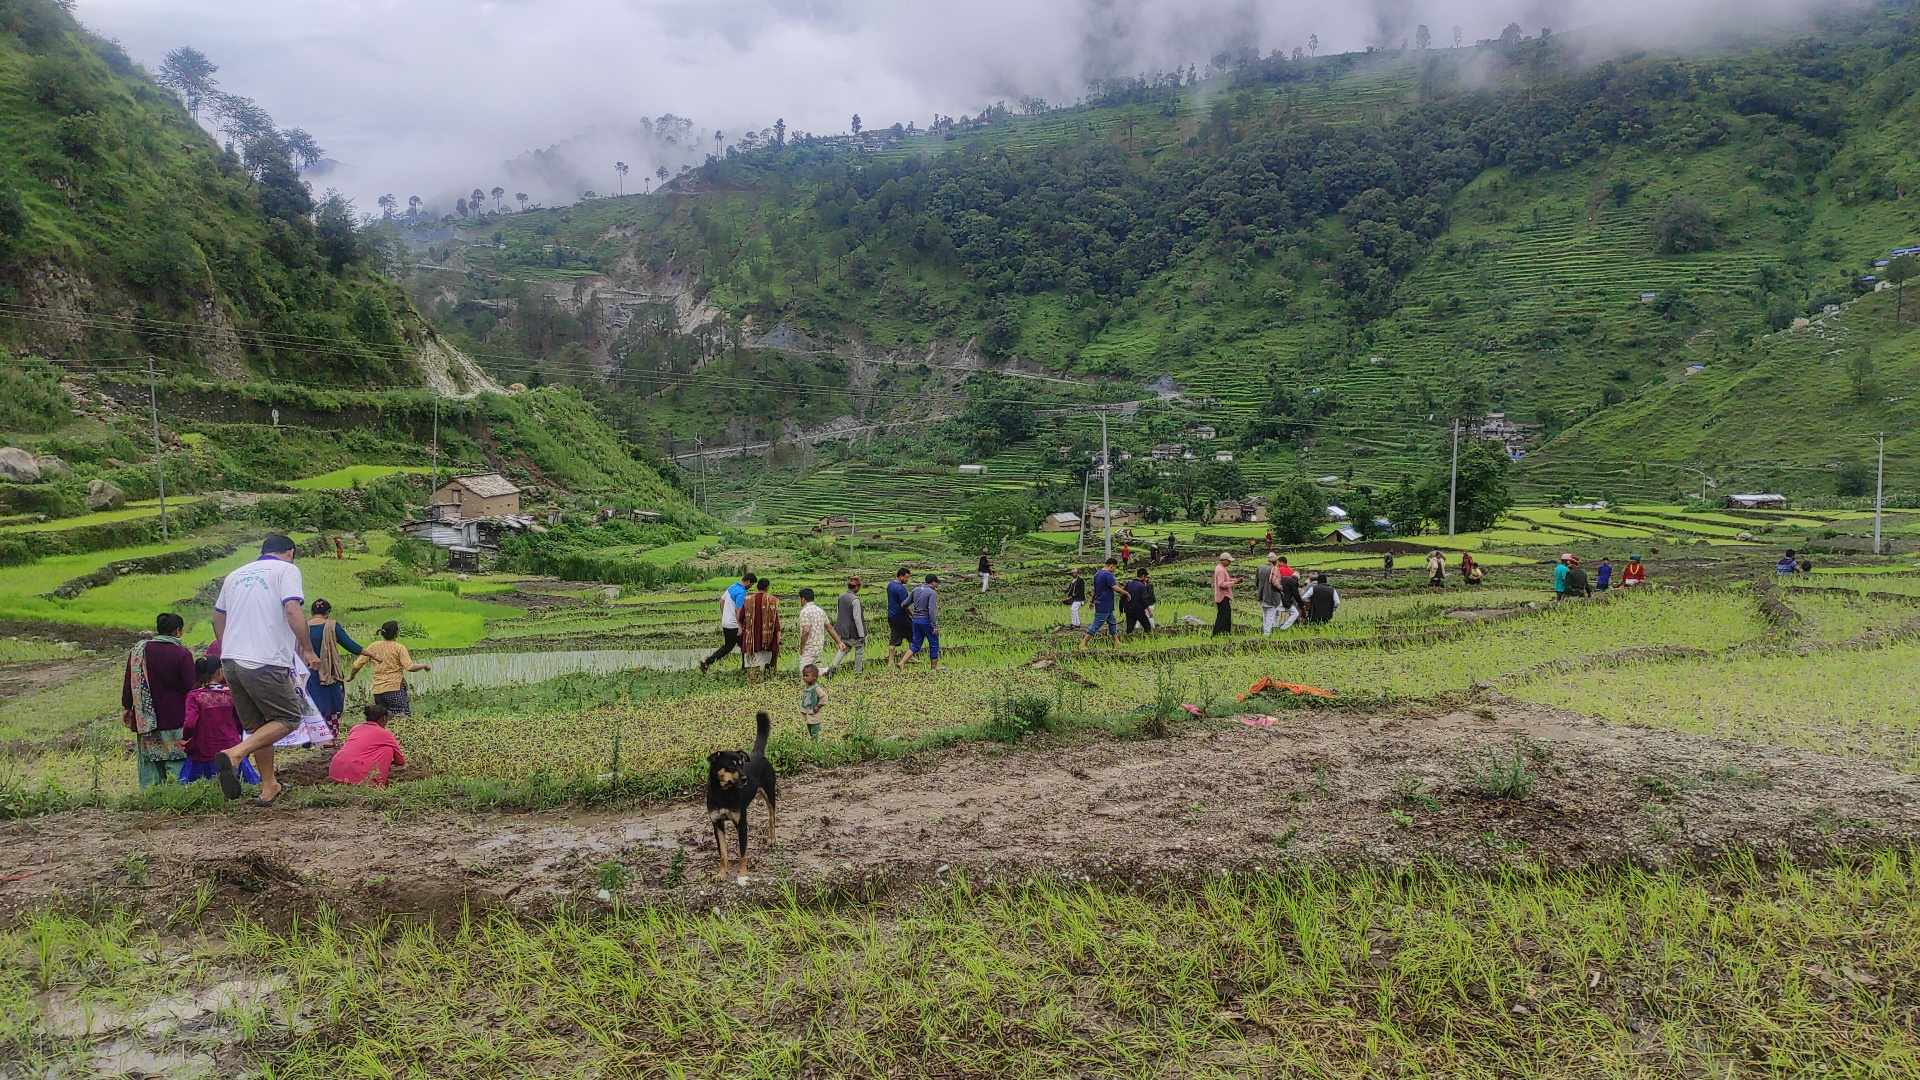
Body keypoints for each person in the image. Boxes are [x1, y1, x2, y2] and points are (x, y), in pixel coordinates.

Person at [212, 534, 321, 806]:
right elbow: (293, 609)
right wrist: (307, 649)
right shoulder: (287, 570)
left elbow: (217, 617)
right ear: (290, 552)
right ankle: (236, 754)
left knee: (260, 727)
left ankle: (268, 785)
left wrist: (227, 650)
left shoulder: (235, 574)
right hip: (265, 660)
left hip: (232, 661)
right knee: (287, 718)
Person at [121, 612, 197, 787]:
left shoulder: (139, 652)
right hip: (175, 718)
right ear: (178, 631)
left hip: (147, 721)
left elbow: (129, 681)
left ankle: (150, 799)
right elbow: (191, 688)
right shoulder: (182, 654)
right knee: (177, 762)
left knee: (151, 764)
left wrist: (127, 706)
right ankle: (183, 796)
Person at [179, 657, 260, 786]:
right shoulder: (230, 693)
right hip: (230, 742)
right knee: (245, 779)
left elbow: (190, 723)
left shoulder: (194, 696)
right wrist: (238, 734)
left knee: (193, 783)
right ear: (219, 672)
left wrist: (186, 738)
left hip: (204, 745)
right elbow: (240, 718)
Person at [305, 599, 364, 740]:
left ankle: (310, 738)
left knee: (310, 704)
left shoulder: (302, 627)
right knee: (331, 706)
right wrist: (370, 654)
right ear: (328, 613)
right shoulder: (332, 626)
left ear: (312, 612)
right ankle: (329, 738)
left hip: (307, 673)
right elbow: (350, 645)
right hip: (329, 672)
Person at [350, 620, 431, 715]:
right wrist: (424, 665)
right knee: (402, 718)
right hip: (395, 689)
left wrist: (351, 676)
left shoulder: (373, 646)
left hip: (378, 691)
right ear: (396, 633)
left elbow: (356, 665)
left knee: (383, 719)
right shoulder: (399, 648)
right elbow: (410, 667)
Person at [328, 705, 407, 787]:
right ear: (383, 718)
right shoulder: (384, 734)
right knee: (388, 749)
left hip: (335, 771)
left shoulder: (356, 728)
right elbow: (400, 761)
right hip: (357, 776)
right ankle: (376, 782)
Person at [700, 572, 756, 674]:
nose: (750, 587)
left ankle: (707, 662)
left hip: (726, 623)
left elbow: (721, 601)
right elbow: (738, 610)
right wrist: (739, 626)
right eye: (751, 585)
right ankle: (745, 669)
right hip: (734, 625)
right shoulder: (741, 592)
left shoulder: (732, 587)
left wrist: (724, 616)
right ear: (748, 581)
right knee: (746, 645)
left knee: (728, 647)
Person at [738, 577, 782, 681]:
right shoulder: (773, 600)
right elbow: (776, 622)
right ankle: (768, 679)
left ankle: (752, 681)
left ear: (757, 587)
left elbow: (741, 618)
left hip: (751, 639)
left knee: (752, 666)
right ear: (767, 588)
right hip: (767, 638)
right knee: (768, 662)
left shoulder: (747, 600)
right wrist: (778, 636)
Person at [794, 587, 843, 675]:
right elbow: (829, 628)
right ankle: (825, 672)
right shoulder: (820, 610)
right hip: (819, 646)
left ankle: (827, 671)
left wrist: (801, 647)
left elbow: (806, 631)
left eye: (800, 599)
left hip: (809, 647)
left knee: (804, 672)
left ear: (803, 599)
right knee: (810, 668)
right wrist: (839, 642)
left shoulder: (805, 611)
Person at [825, 577, 866, 676]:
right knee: (859, 649)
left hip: (842, 630)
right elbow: (857, 619)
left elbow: (839, 613)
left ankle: (832, 668)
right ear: (856, 587)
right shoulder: (855, 600)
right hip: (853, 631)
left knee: (843, 648)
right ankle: (858, 672)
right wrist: (862, 635)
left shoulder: (841, 597)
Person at [907, 574, 941, 670]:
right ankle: (934, 668)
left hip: (915, 620)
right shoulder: (932, 593)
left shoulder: (915, 590)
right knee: (934, 643)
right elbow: (931, 610)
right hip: (926, 621)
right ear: (933, 582)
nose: (937, 585)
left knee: (916, 644)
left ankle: (902, 662)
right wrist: (934, 625)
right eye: (937, 583)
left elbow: (904, 604)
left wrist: (911, 613)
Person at [1085, 558, 1120, 642]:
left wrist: (1092, 602)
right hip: (1104, 604)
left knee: (1112, 622)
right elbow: (1115, 587)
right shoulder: (1108, 575)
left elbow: (1096, 590)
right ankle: (1084, 643)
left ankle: (1116, 642)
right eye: (1115, 567)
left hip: (1104, 604)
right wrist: (1126, 593)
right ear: (1111, 566)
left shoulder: (1097, 574)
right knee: (1097, 623)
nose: (1115, 569)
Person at [886, 567, 914, 668]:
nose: (907, 580)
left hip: (891, 615)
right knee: (911, 635)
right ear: (901, 576)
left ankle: (892, 661)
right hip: (901, 617)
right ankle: (897, 660)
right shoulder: (901, 589)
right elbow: (904, 605)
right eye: (906, 578)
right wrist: (912, 615)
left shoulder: (890, 585)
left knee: (898, 636)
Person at [1257, 553, 1287, 637]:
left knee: (1265, 615)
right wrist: (1282, 589)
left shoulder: (1260, 568)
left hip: (1262, 595)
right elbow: (1275, 583)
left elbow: (1257, 582)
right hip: (1271, 596)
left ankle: (1265, 632)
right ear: (1275, 561)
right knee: (1270, 616)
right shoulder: (1275, 569)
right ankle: (1267, 634)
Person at [1123, 566, 1156, 634]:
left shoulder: (1129, 584)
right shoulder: (1142, 586)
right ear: (1143, 576)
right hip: (1139, 610)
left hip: (1129, 610)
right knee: (1147, 627)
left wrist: (1122, 609)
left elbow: (1123, 596)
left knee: (1129, 628)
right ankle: (1149, 640)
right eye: (1146, 577)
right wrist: (1149, 611)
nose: (1146, 579)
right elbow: (1144, 600)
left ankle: (1128, 639)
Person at [1212, 552, 1238, 636]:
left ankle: (1223, 633)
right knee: (1223, 616)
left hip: (1222, 596)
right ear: (1223, 560)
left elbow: (1226, 579)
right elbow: (1221, 584)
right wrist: (1233, 583)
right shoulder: (1220, 570)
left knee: (1223, 616)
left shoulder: (1220, 568)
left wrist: (1234, 581)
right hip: (1222, 596)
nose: (1230, 563)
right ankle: (1219, 633)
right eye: (1229, 561)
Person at [799, 664, 827, 740]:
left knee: (814, 730)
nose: (804, 677)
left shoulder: (816, 688)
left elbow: (824, 697)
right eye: (804, 675)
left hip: (814, 714)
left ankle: (815, 744)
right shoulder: (807, 687)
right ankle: (813, 741)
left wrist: (818, 706)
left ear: (814, 677)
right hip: (808, 713)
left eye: (807, 675)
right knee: (809, 728)